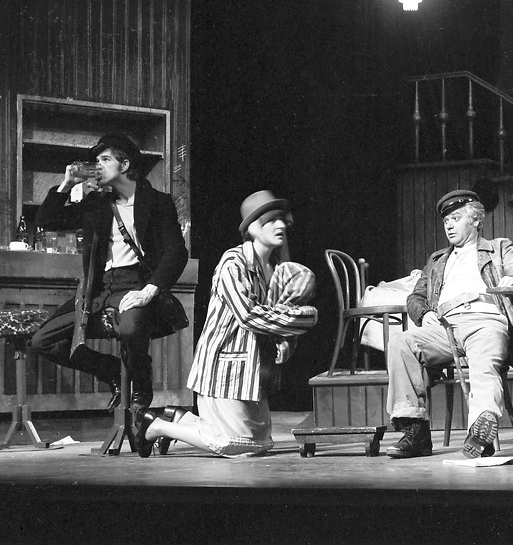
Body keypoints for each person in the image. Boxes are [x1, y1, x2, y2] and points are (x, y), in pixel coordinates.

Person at [134, 191, 318, 458]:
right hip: (224, 368)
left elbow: (280, 312)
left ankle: (179, 418)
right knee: (236, 445)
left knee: (261, 444)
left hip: (251, 372)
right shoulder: (233, 262)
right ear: (252, 228)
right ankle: (158, 426)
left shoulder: (276, 268)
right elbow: (248, 315)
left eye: (281, 219)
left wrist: (287, 336)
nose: (281, 225)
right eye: (271, 220)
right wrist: (304, 318)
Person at [30, 133, 188, 412]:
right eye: (96, 160)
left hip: (136, 284)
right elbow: (47, 220)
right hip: (99, 289)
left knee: (129, 327)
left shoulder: (158, 202)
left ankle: (141, 385)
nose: (97, 165)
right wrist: (67, 184)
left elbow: (176, 252)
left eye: (105, 159)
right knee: (41, 341)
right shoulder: (97, 203)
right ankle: (112, 370)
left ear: (124, 165)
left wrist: (148, 291)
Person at [385, 189, 513, 459]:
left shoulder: (498, 248)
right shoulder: (437, 260)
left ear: (476, 220)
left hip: (485, 320)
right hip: (444, 326)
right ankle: (416, 432)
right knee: (400, 343)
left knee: (484, 362)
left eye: (455, 218)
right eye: (446, 221)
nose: (449, 226)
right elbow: (415, 297)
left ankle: (479, 433)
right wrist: (423, 314)